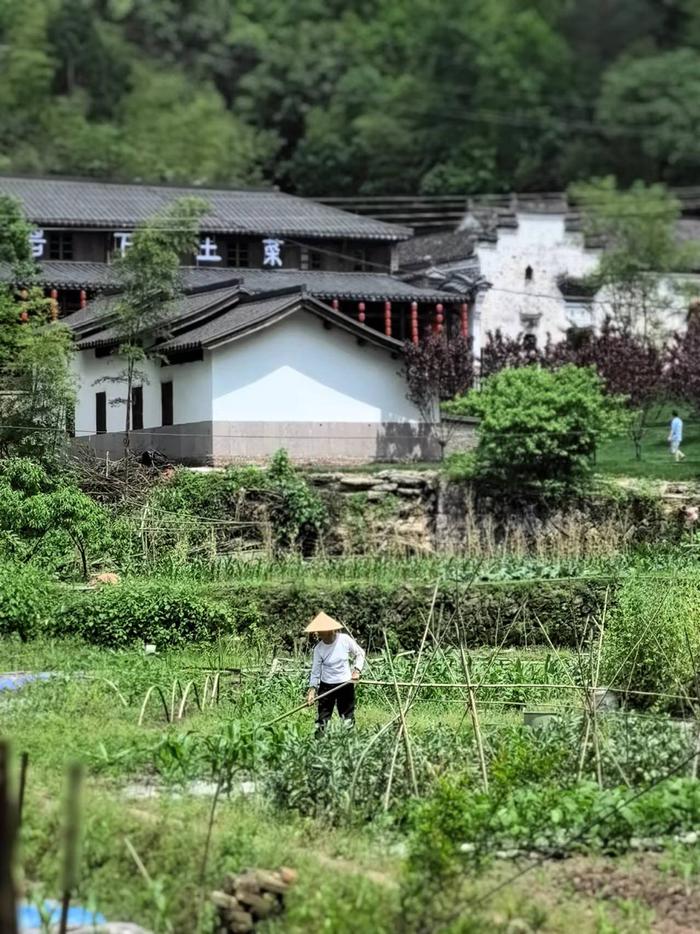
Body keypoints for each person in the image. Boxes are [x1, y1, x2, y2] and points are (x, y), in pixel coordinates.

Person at [305, 611, 365, 732]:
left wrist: (357, 670)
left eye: (322, 631)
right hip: (326, 686)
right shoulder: (319, 649)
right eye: (318, 632)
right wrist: (312, 689)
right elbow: (315, 671)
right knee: (322, 719)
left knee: (347, 718)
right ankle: (319, 744)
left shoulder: (344, 640)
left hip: (345, 684)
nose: (319, 634)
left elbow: (360, 653)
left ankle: (349, 744)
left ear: (330, 630)